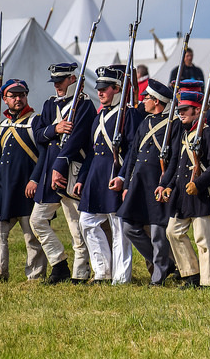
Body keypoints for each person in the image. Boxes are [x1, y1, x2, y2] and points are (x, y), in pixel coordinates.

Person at [73, 66, 141, 284]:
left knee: (119, 229)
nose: (100, 92)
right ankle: (102, 270)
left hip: (115, 174)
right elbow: (92, 151)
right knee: (87, 222)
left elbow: (132, 151)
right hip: (96, 176)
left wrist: (122, 177)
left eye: (105, 88)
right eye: (99, 88)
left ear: (117, 89)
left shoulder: (128, 114)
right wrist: (82, 178)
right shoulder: (99, 115)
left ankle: (121, 278)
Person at [30, 62, 97, 284]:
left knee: (76, 226)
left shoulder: (84, 105)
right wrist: (55, 129)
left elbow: (77, 139)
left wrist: (59, 168)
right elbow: (38, 134)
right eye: (55, 81)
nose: (57, 85)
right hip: (50, 172)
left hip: (71, 171)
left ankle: (80, 271)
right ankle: (59, 264)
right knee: (37, 220)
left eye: (61, 81)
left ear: (73, 79)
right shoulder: (50, 105)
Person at [0, 79, 47, 283]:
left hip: (27, 187)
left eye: (22, 95)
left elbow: (44, 155)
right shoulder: (2, 125)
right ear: (5, 99)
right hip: (3, 187)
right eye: (13, 96)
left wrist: (35, 180)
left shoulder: (35, 121)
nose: (18, 99)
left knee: (32, 235)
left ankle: (36, 275)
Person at [116, 79, 179, 286]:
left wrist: (166, 183)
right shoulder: (145, 122)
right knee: (129, 227)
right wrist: (127, 186)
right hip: (139, 183)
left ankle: (158, 276)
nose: (143, 101)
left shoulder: (173, 124)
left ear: (157, 101)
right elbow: (133, 156)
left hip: (157, 182)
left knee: (158, 232)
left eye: (147, 98)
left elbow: (175, 158)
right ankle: (165, 264)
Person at [164, 90, 210, 288]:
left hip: (200, 194)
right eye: (180, 109)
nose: (181, 113)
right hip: (182, 194)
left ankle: (207, 281)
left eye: (185, 109)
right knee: (173, 232)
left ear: (197, 110)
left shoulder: (208, 133)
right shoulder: (185, 133)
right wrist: (169, 186)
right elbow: (179, 167)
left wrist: (198, 184)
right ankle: (191, 273)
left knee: (202, 240)